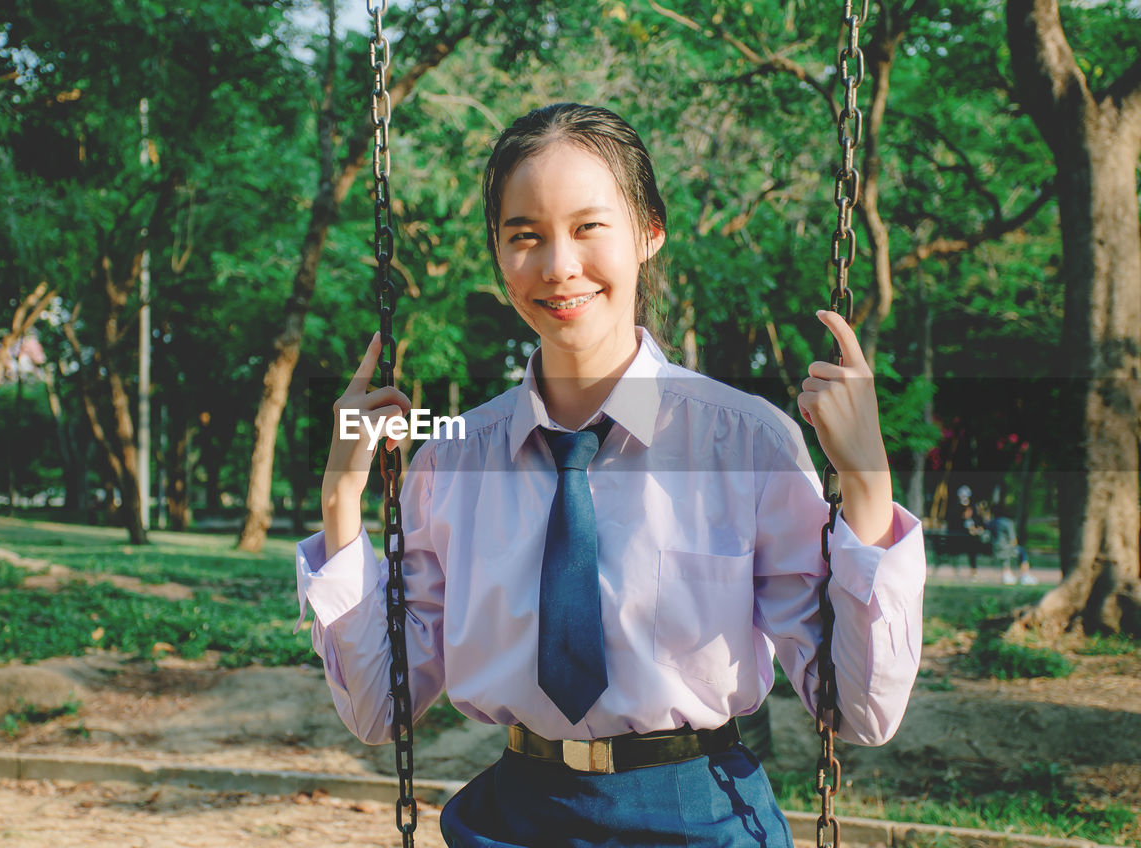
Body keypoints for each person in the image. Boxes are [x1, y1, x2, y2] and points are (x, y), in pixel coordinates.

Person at [297, 103, 926, 847]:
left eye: (588, 227)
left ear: (648, 233)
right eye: (523, 236)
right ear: (499, 256)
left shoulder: (746, 443)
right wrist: (342, 498)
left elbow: (862, 712)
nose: (559, 266)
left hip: (700, 814)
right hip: (516, 819)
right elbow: (378, 712)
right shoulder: (454, 461)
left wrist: (867, 484)